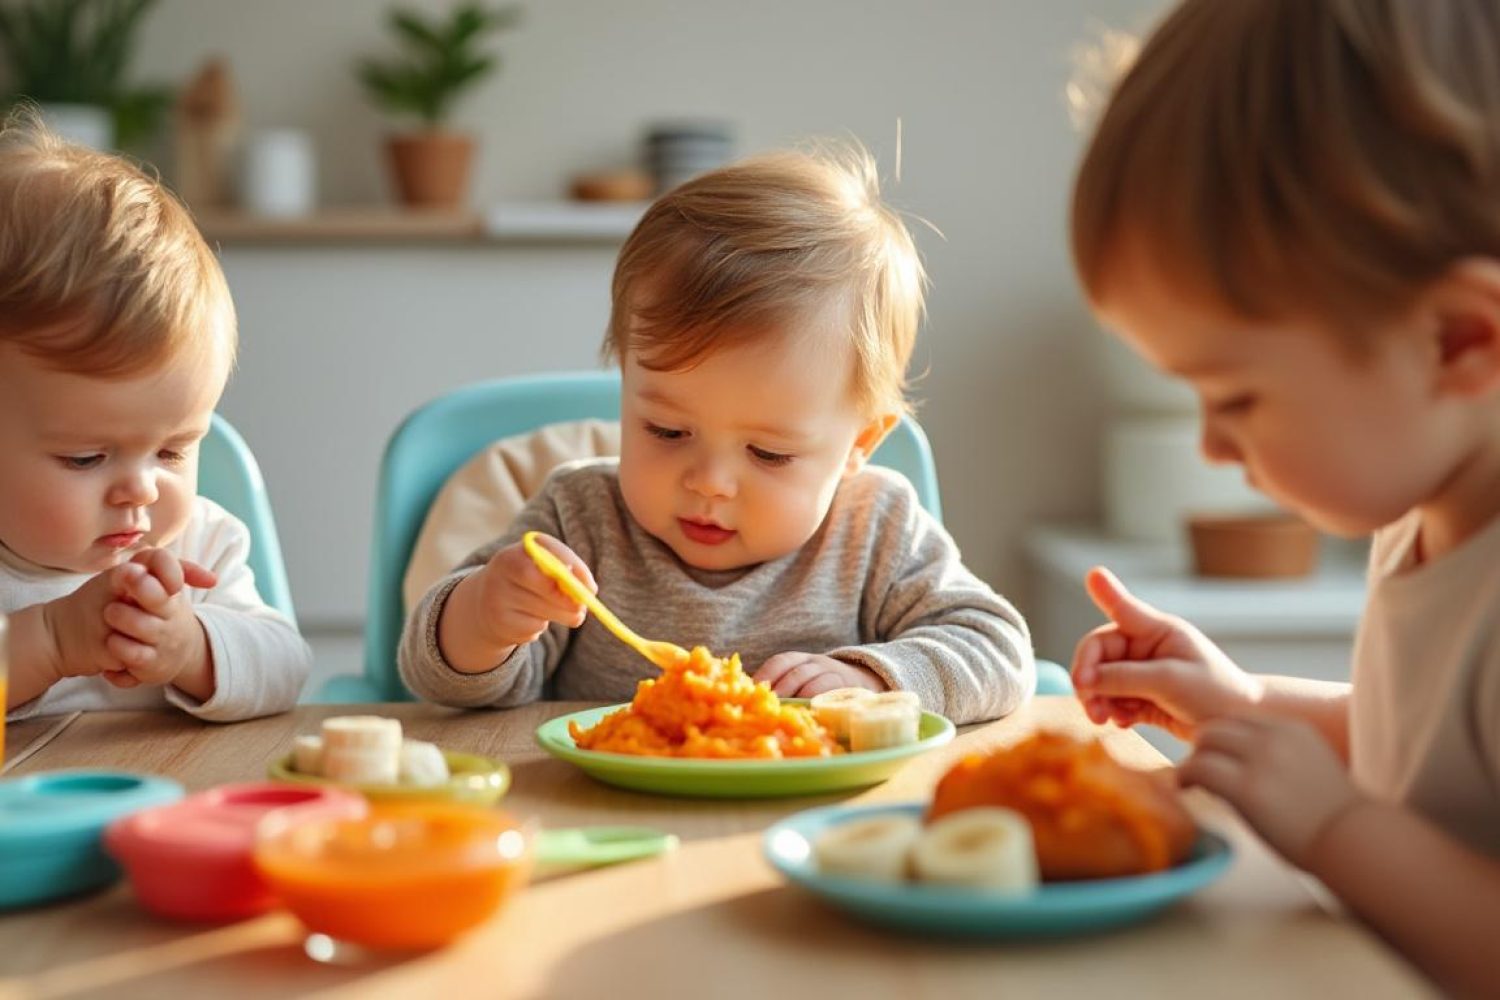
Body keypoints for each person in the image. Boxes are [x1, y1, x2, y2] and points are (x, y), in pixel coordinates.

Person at [1067, 1, 1500, 993]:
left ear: (1458, 342)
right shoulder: (1428, 521)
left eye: (1236, 398)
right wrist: (1245, 706)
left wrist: (1337, 829)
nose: (1212, 445)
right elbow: (1428, 762)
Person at [401, 144, 1034, 725]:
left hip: (811, 824)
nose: (708, 481)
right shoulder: (579, 518)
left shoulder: (878, 530)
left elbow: (1000, 652)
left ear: (859, 445)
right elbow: (438, 678)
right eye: (667, 430)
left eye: (769, 452)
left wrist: (873, 679)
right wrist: (484, 619)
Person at [1, 113, 311, 721]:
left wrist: (193, 647)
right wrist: (52, 641)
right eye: (86, 457)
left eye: (172, 452)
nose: (142, 488)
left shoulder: (199, 544)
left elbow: (286, 667)